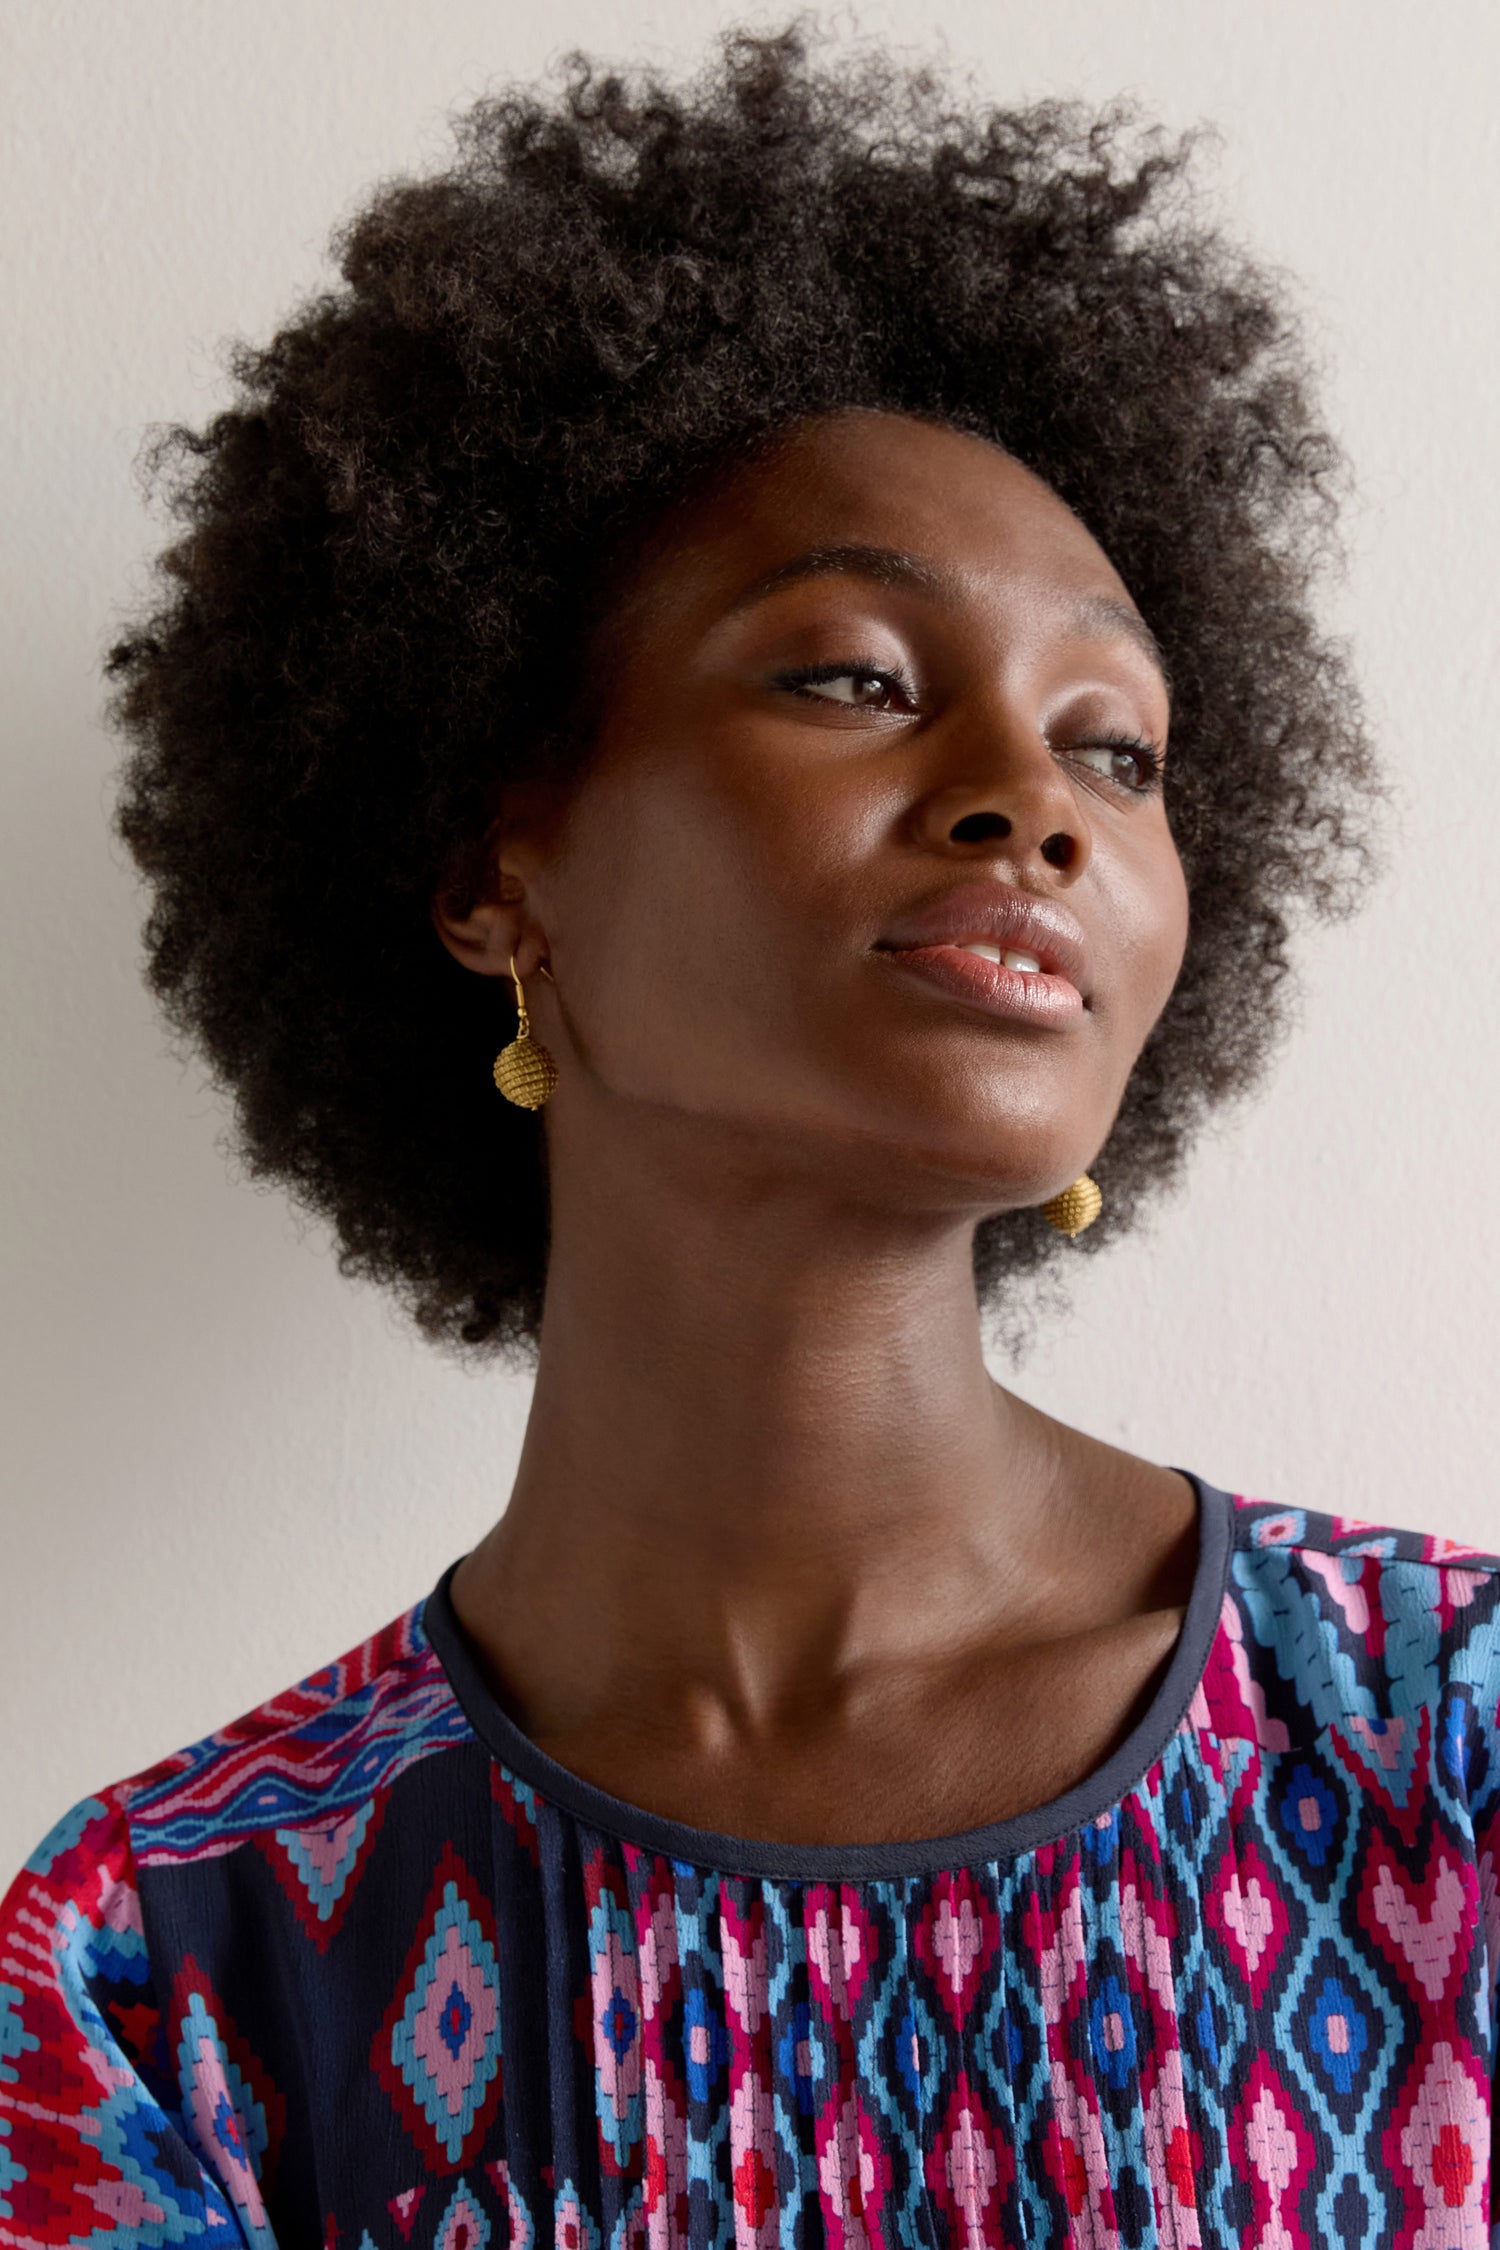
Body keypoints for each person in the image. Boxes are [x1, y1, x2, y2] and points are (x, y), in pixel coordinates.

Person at [3, 28, 1495, 2250]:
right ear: (498, 860)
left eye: (1122, 744)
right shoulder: (167, 1969)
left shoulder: (1448, 1754)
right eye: (854, 677)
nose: (1037, 804)